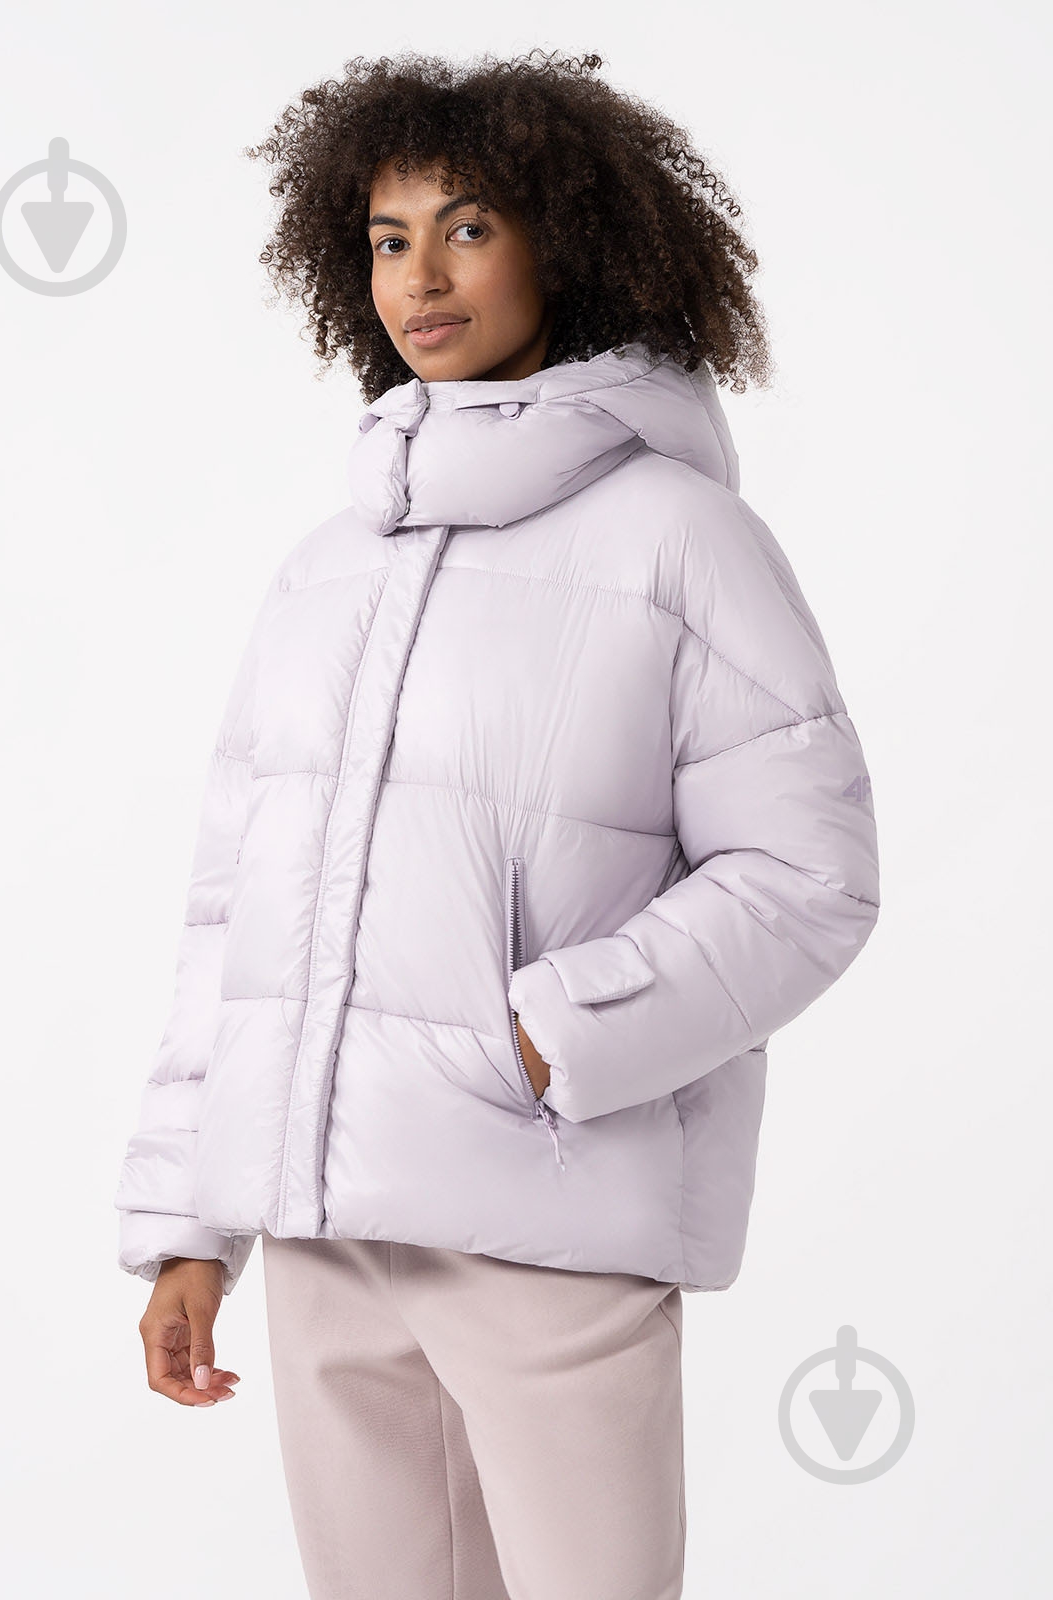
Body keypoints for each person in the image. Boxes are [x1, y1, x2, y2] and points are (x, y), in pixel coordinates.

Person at [113, 47, 881, 1600]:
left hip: (546, 1228)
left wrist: (547, 1038)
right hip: (325, 1239)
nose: (421, 276)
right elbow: (231, 916)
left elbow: (810, 873)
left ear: (568, 244)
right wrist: (189, 1222)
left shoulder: (680, 538)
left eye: (468, 229)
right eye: (389, 238)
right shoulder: (326, 568)